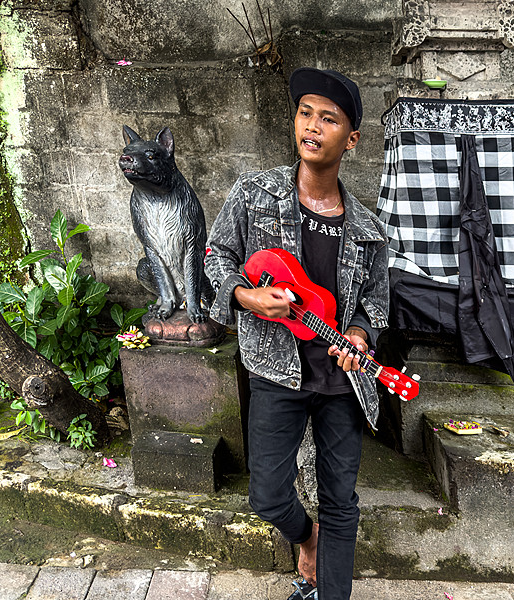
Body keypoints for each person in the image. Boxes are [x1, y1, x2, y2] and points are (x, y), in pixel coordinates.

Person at [204, 67, 389, 600]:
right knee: (265, 495)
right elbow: (217, 259)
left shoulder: (370, 230)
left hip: (341, 383)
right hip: (275, 371)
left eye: (328, 119)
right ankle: (305, 537)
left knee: (340, 500)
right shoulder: (254, 193)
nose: (312, 125)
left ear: (350, 140)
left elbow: (376, 304)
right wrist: (245, 296)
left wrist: (357, 332)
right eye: (305, 113)